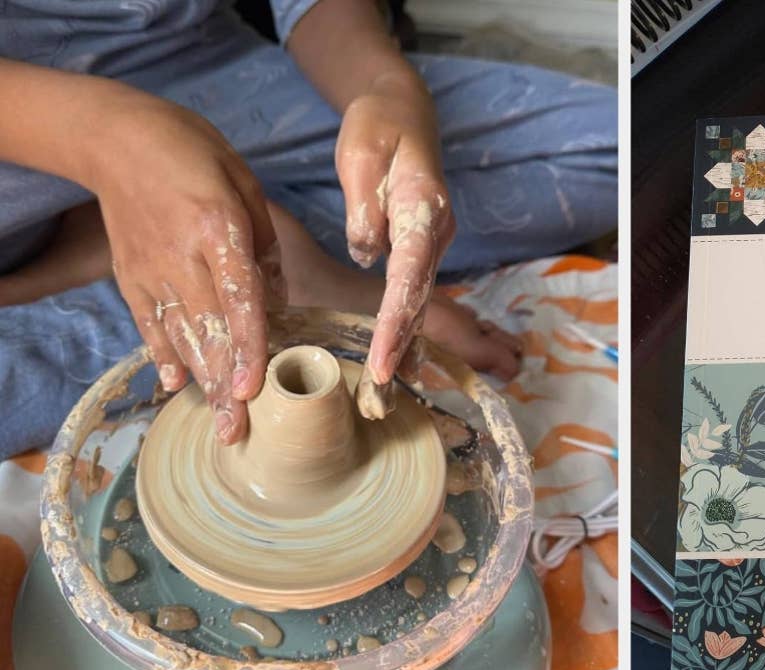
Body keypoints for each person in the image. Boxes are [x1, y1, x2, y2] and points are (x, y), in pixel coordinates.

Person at [0, 0, 616, 456]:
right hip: (26, 135)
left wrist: (384, 86)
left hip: (198, 69)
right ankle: (218, 255)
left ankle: (247, 245)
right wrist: (113, 144)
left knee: (617, 151)